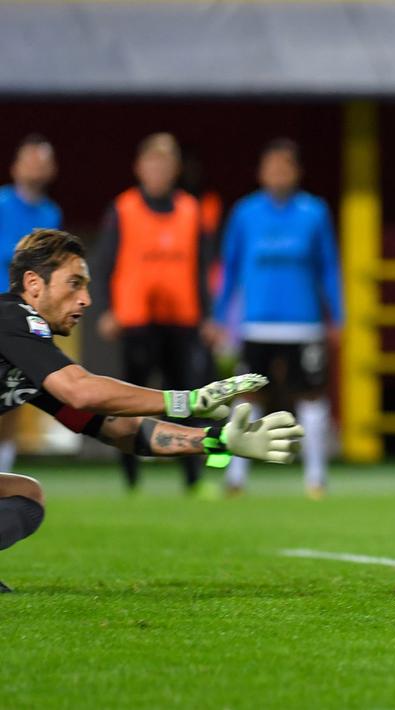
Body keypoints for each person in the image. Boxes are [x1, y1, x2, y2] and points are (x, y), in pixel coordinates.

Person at [0, 228, 301, 591]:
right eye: (74, 283)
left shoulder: (27, 353)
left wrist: (216, 440)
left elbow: (118, 429)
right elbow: (80, 391)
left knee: (25, 496)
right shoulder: (12, 317)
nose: (86, 299)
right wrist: (188, 400)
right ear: (33, 283)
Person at [210, 139, 342, 500]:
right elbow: (231, 268)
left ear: (297, 172)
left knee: (312, 400)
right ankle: (235, 478)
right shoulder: (245, 213)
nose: (278, 174)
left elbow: (328, 267)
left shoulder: (314, 212)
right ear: (261, 173)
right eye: (271, 167)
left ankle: (316, 478)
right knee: (247, 399)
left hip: (304, 323)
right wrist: (220, 316)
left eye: (285, 167)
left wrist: (338, 315)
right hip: (257, 324)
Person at [93, 133, 214, 495]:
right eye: (152, 163)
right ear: (139, 168)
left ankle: (194, 479)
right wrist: (106, 310)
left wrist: (208, 315)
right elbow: (102, 264)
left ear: (175, 169)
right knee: (130, 404)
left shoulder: (192, 210)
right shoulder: (123, 208)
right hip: (136, 321)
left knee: (187, 402)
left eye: (166, 164)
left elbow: (203, 267)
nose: (158, 170)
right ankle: (131, 478)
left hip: (182, 321)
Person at [0, 135, 61, 474]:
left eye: (43, 160)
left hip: (26, 319)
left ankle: (4, 469)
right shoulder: (1, 204)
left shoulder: (51, 212)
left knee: (12, 396)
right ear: (15, 166)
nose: (37, 167)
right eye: (31, 159)